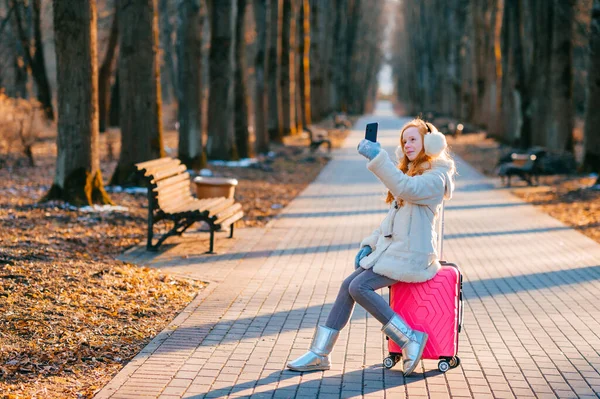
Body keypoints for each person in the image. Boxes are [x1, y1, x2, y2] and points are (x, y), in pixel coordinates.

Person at [286, 119, 456, 376]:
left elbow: (405, 188)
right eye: (404, 140)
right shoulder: (411, 174)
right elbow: (391, 221)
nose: (407, 145)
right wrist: (369, 244)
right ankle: (320, 353)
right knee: (348, 285)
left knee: (359, 286)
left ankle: (409, 338)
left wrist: (379, 159)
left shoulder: (435, 177)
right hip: (395, 251)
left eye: (413, 139)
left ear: (429, 143)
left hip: (413, 256)